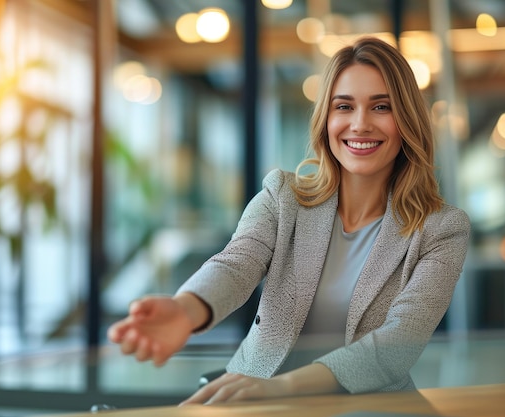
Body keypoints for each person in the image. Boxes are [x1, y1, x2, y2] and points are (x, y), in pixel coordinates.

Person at [107, 36, 471, 405]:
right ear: (326, 119)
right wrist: (186, 309)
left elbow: (399, 341)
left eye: (381, 107)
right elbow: (236, 264)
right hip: (255, 398)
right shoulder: (283, 196)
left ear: (407, 119)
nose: (360, 124)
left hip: (369, 408)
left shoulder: (443, 230)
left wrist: (282, 387)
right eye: (343, 106)